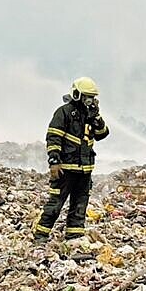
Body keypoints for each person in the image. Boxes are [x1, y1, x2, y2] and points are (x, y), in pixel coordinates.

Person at [33, 77, 109, 242]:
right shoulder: (64, 112)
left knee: (80, 206)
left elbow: (102, 134)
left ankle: (74, 237)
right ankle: (40, 236)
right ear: (77, 94)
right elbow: (53, 138)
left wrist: (97, 118)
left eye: (93, 97)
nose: (90, 100)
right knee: (55, 205)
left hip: (85, 170)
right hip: (65, 169)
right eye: (87, 96)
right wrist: (54, 162)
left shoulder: (91, 115)